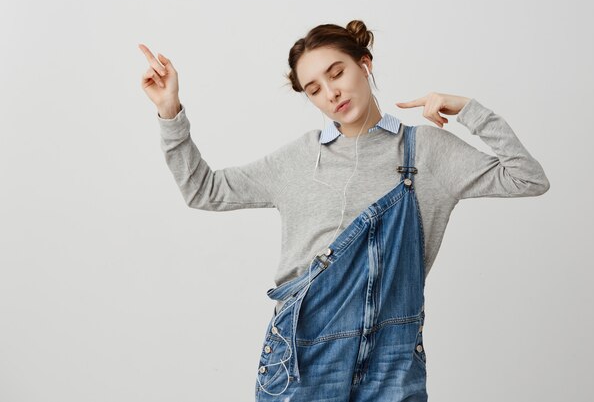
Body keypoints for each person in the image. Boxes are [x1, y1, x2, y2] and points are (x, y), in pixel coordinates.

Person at [139, 20, 550, 401]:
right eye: (314, 89)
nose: (331, 93)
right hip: (302, 355)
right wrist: (169, 111)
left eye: (336, 73)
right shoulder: (300, 158)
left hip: (393, 360)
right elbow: (202, 190)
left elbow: (528, 178)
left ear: (364, 64)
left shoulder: (426, 151)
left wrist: (467, 109)